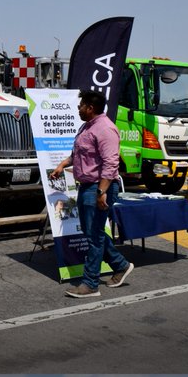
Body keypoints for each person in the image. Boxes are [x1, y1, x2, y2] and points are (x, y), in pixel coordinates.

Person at [49, 88, 134, 298]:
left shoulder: (105, 129)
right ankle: (120, 265)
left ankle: (90, 284)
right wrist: (61, 165)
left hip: (99, 187)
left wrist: (101, 192)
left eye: (81, 106)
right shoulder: (86, 127)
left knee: (94, 236)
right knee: (90, 232)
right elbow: (77, 154)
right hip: (88, 187)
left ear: (91, 107)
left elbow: (111, 163)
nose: (78, 109)